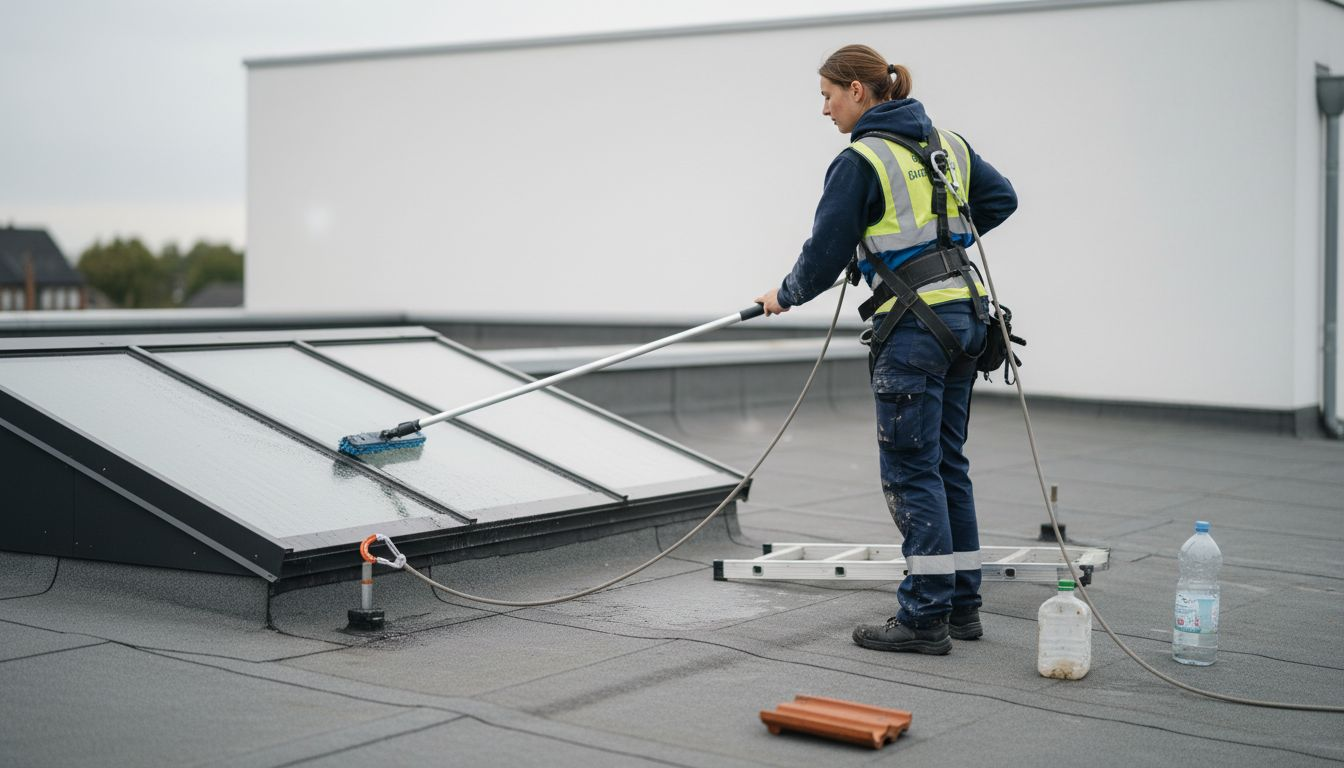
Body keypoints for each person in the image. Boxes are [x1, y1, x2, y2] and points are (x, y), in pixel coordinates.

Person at [755, 45, 1017, 655]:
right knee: (947, 463)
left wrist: (784, 295)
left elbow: (823, 254)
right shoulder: (945, 142)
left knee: (911, 469)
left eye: (827, 95)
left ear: (857, 90)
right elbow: (1000, 200)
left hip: (916, 330)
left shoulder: (860, 160)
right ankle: (961, 608)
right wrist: (941, 245)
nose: (824, 110)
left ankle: (925, 617)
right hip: (966, 320)